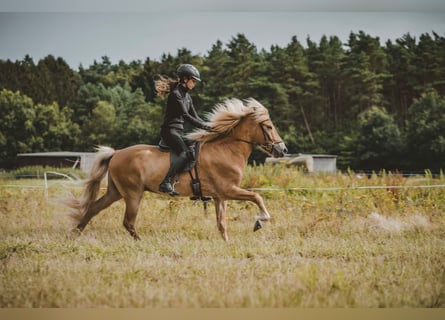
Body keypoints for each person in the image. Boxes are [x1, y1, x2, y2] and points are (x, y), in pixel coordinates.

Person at [155, 64, 213, 196]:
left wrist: (209, 127)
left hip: (179, 131)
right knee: (184, 153)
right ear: (185, 79)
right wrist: (204, 127)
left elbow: (195, 116)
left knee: (194, 149)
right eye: (193, 81)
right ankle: (165, 182)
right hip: (170, 130)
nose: (194, 84)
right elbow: (186, 116)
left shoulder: (187, 96)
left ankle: (196, 185)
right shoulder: (176, 95)